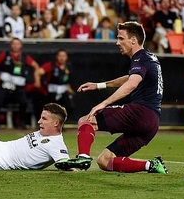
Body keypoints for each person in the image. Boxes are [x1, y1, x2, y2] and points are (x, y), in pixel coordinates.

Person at [54, 22, 168, 174]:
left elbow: (132, 84)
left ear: (133, 40)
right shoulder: (149, 57)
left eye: (121, 38)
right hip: (152, 123)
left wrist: (104, 103)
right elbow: (130, 78)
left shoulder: (140, 58)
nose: (117, 42)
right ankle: (151, 165)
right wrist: (99, 85)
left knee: (86, 120)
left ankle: (83, 157)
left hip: (140, 112)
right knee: (104, 161)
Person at [0, 38, 41, 129]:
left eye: (17, 44)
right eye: (13, 44)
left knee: (23, 102)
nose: (15, 46)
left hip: (18, 84)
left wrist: (37, 80)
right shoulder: (5, 54)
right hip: (5, 83)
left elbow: (36, 66)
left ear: (21, 45)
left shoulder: (25, 57)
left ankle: (22, 123)